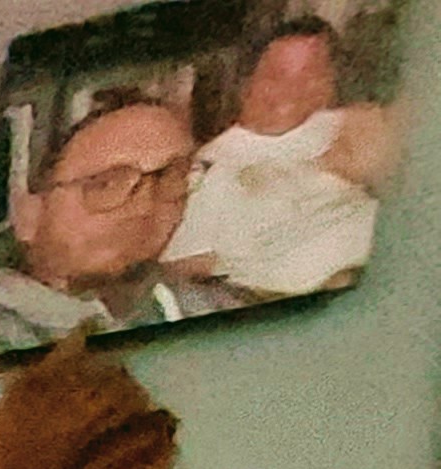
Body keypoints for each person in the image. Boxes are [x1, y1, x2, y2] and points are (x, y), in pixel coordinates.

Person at [168, 18, 395, 303]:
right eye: (277, 76)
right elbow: (185, 268)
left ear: (332, 83)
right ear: (247, 85)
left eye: (310, 76)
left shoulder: (349, 124)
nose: (293, 91)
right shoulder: (212, 167)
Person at [0, 94, 218, 352]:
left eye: (169, 178)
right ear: (28, 214)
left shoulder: (206, 308)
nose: (145, 208)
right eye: (106, 184)